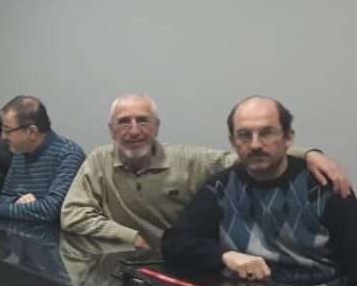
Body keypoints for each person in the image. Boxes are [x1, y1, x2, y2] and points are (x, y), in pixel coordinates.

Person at [60, 93, 350, 249]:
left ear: (157, 127)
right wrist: (130, 236)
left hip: (177, 266)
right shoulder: (99, 160)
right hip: (124, 261)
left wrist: (308, 154)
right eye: (124, 122)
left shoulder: (188, 160)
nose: (134, 130)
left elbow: (247, 156)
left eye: (143, 120)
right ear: (111, 130)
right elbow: (72, 213)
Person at [162, 97, 357, 286]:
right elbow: (175, 242)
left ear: (288, 138)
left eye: (266, 133)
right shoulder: (221, 186)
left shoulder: (324, 188)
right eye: (244, 135)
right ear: (233, 142)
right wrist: (224, 256)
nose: (255, 144)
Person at [0, 96, 85, 223]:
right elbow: (4, 197)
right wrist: (18, 202)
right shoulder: (19, 153)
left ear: (31, 132)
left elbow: (53, 210)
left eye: (8, 131)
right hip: (20, 231)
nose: (3, 137)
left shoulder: (69, 155)